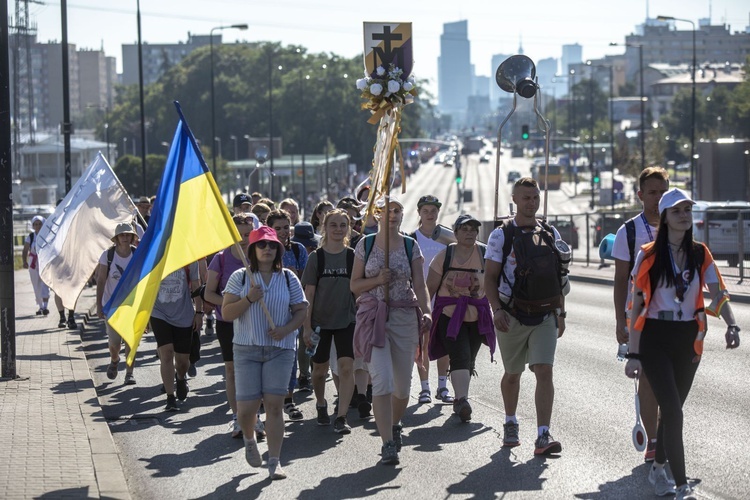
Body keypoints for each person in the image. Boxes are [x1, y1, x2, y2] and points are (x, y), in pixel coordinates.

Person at [625, 188, 741, 500]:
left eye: (688, 209)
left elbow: (718, 293)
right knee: (674, 412)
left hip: (689, 338)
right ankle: (680, 484)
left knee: (673, 410)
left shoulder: (701, 253)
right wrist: (633, 353)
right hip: (654, 338)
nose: (684, 215)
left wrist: (731, 323)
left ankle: (657, 468)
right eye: (677, 210)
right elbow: (636, 306)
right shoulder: (648, 255)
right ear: (664, 217)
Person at [484, 177, 567, 456]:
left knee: (544, 370)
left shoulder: (550, 232)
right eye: (525, 198)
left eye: (535, 197)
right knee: (513, 373)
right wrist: (496, 310)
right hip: (511, 314)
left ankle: (543, 435)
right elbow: (490, 278)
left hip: (544, 314)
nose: (531, 202)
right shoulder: (501, 235)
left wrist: (561, 312)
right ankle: (510, 421)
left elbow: (558, 276)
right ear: (515, 200)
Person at [350, 196, 432, 465]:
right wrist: (377, 280)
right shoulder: (367, 244)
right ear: (376, 214)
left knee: (403, 386)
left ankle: (395, 423)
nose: (393, 215)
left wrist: (427, 310)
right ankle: (387, 443)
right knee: (382, 381)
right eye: (387, 211)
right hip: (374, 317)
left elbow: (420, 285)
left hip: (404, 317)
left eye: (397, 211)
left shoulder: (411, 246)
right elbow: (355, 285)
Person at [221, 226, 307, 480]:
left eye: (272, 245)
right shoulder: (240, 277)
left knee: (274, 406)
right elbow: (226, 313)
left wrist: (286, 329)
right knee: (246, 410)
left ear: (279, 250)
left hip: (280, 350)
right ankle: (250, 439)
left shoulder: (289, 278)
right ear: (252, 250)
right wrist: (248, 299)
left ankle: (274, 461)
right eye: (261, 245)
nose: (267, 249)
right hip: (247, 349)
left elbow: (301, 310)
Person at [612, 166, 669, 462]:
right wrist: (620, 322)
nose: (658, 198)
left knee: (672, 381)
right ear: (640, 195)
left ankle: (666, 433)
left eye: (662, 192)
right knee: (647, 377)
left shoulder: (681, 225)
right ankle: (655, 442)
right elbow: (621, 279)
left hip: (677, 316)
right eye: (652, 192)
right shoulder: (629, 230)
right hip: (642, 317)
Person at [426, 214, 495, 422]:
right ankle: (462, 400)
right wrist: (423, 312)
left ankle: (459, 396)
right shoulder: (444, 256)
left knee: (469, 359)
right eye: (464, 229)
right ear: (455, 233)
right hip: (449, 316)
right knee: (460, 356)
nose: (469, 233)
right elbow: (429, 289)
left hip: (477, 316)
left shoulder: (484, 255)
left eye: (473, 230)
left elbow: (494, 283)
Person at [205, 214, 264, 439]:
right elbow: (209, 292)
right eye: (238, 234)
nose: (243, 238)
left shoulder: (260, 257)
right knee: (232, 370)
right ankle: (237, 416)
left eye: (248, 234)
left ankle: (255, 416)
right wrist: (234, 304)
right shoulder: (220, 259)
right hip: (228, 321)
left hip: (255, 321)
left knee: (255, 369)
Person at [302, 209, 361, 434]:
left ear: (349, 229)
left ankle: (341, 416)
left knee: (347, 368)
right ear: (324, 228)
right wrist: (307, 327)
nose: (338, 229)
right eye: (333, 225)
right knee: (319, 371)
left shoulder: (352, 256)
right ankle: (320, 403)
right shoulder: (316, 257)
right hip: (320, 323)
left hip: (347, 320)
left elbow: (358, 290)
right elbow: (309, 295)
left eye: (342, 225)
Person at [410, 194, 452, 404]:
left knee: (444, 343)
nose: (430, 214)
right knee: (423, 344)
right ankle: (424, 388)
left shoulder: (447, 238)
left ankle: (442, 387)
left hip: (445, 298)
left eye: (433, 211)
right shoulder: (412, 238)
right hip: (421, 299)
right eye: (425, 211)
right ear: (419, 213)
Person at [267, 209, 309, 414]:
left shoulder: (299, 250)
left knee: (290, 355)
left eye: (286, 227)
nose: (284, 232)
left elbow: (307, 280)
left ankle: (288, 399)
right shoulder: (264, 250)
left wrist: (294, 277)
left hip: (292, 311)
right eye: (278, 228)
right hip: (268, 312)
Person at [152, 261, 203, 411]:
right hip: (158, 312)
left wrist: (199, 312)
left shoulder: (189, 257)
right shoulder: (156, 254)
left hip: (183, 314)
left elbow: (196, 284)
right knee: (166, 353)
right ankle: (170, 397)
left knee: (182, 363)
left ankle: (180, 378)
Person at [96, 223, 139, 385]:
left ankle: (129, 373)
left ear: (133, 237)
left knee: (130, 340)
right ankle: (115, 360)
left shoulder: (137, 254)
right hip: (111, 306)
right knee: (114, 343)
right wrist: (99, 305)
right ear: (116, 239)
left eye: (128, 235)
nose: (125, 238)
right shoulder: (107, 255)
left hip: (131, 306)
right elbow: (100, 281)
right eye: (122, 235)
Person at [22, 215, 50, 315]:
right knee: (36, 284)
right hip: (33, 262)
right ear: (33, 226)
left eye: (39, 224)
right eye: (36, 224)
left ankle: (45, 306)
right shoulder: (31, 237)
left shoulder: (47, 235)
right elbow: (25, 250)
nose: (38, 226)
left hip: (44, 261)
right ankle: (40, 306)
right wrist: (24, 261)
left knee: (44, 283)